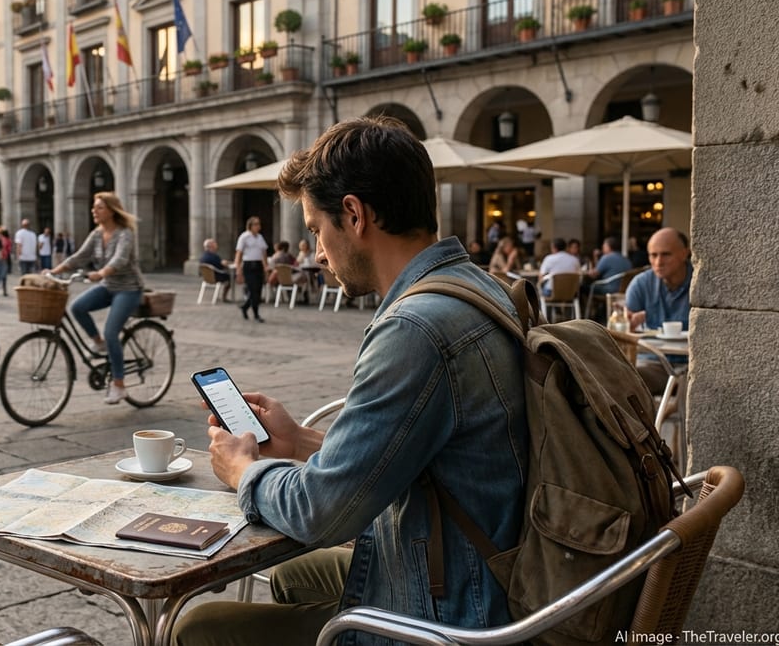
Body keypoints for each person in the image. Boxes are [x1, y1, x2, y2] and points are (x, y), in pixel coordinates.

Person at [173, 117, 528, 646]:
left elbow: (321, 513)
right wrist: (299, 442)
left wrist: (243, 469)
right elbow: (421, 451)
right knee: (294, 575)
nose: (316, 252)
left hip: (450, 614)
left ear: (355, 214)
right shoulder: (480, 287)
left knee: (199, 629)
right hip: (490, 570)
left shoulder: (415, 330)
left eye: (316, 229)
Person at [48, 192, 144, 405]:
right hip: (108, 286)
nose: (94, 210)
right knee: (77, 307)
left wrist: (102, 273)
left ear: (111, 210)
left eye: (99, 207)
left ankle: (119, 385)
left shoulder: (125, 233)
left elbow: (121, 258)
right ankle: (98, 343)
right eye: (94, 207)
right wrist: (56, 270)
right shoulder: (97, 234)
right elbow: (80, 256)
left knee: (111, 332)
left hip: (128, 289)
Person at [626, 227, 692, 393]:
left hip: (694, 364)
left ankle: (673, 413)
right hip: (655, 363)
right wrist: (629, 324)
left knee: (692, 386)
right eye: (653, 255)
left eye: (666, 254)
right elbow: (624, 334)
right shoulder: (640, 284)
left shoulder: (701, 284)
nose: (658, 262)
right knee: (625, 378)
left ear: (685, 254)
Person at [234, 216, 268, 323]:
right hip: (249, 265)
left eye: (259, 224)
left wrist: (265, 266)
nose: (258, 226)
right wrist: (238, 269)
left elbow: (264, 253)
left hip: (258, 265)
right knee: (253, 290)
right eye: (256, 224)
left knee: (258, 290)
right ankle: (256, 314)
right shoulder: (244, 237)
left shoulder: (260, 237)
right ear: (250, 225)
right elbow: (239, 254)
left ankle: (245, 307)